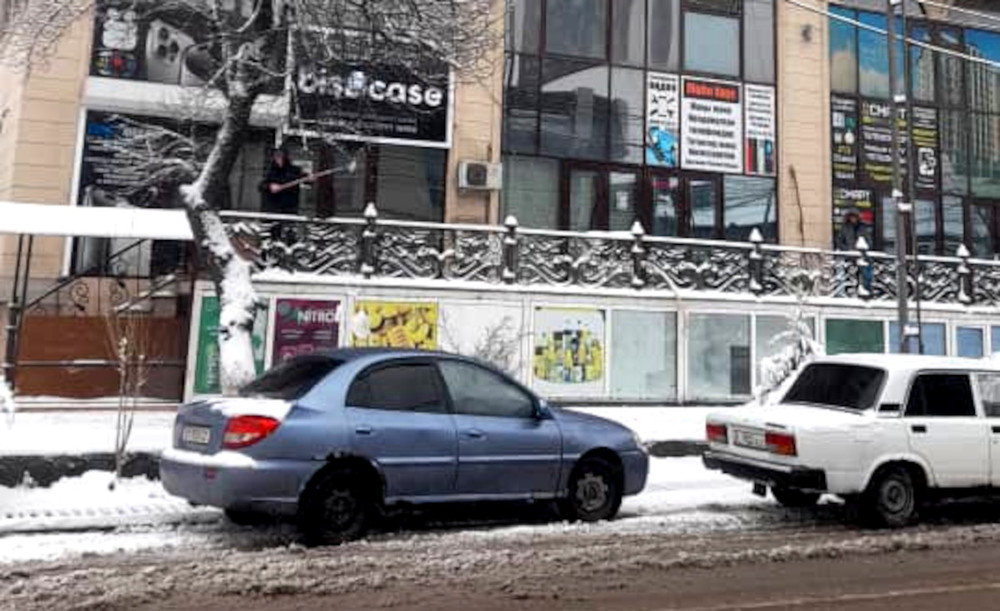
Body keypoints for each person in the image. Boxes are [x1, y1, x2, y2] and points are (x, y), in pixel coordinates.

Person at [259, 146, 306, 215]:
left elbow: (305, 179)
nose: (278, 157)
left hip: (289, 208)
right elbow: (261, 185)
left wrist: (309, 178)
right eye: (276, 155)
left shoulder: (294, 170)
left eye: (280, 155)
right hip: (272, 208)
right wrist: (270, 186)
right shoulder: (269, 170)